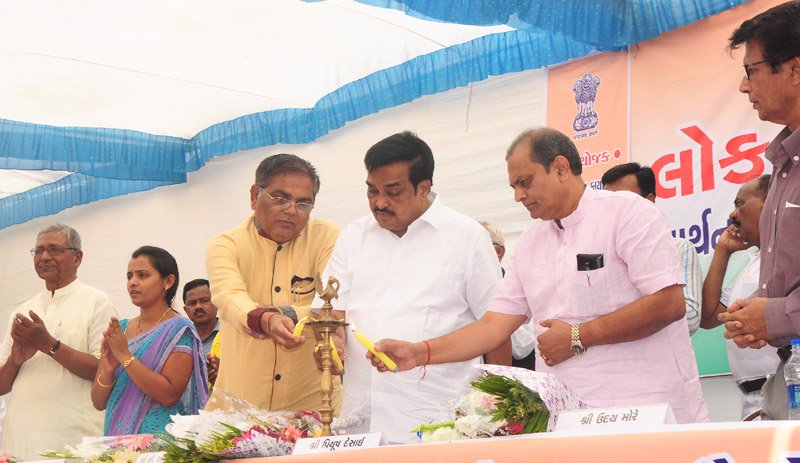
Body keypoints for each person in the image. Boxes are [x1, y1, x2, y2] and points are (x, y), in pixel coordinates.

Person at [369, 128, 709, 424]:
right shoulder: (531, 243)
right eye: (514, 186)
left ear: (560, 168)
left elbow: (668, 303)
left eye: (525, 182)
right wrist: (419, 353)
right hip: (568, 420)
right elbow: (492, 327)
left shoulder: (628, 213)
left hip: (648, 411)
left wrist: (579, 335)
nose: (518, 196)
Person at [317, 132, 507, 442]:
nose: (380, 203)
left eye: (393, 192)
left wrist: (500, 407)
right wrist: (333, 341)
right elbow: (331, 312)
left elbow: (496, 327)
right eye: (372, 191)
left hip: (438, 422)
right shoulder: (353, 236)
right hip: (360, 420)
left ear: (423, 187)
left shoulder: (467, 237)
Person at [205, 153, 341, 412]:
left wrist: (285, 314)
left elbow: (331, 304)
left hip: (312, 406)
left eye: (303, 203)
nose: (291, 210)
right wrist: (265, 319)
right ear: (254, 196)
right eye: (280, 198)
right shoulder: (226, 245)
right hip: (240, 409)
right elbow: (229, 297)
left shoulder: (326, 237)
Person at [721, 1, 800, 420]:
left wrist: (775, 315)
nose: (743, 86)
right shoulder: (784, 166)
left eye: (751, 71)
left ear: (794, 69)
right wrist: (755, 312)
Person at [0, 224, 117, 459]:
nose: (44, 257)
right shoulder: (23, 311)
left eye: (54, 249)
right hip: (21, 441)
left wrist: (49, 345)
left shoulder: (97, 302)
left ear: (77, 257)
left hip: (74, 440)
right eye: (38, 251)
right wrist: (15, 360)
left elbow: (104, 370)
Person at [91, 246, 208, 435]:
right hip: (116, 440)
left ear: (168, 282)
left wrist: (125, 356)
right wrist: (107, 370)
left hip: (158, 441)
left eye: (142, 275)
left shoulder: (179, 329)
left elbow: (168, 395)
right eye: (129, 276)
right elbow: (98, 402)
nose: (132, 282)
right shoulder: (121, 329)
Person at [701, 176, 777, 418]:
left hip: (787, 390)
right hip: (751, 400)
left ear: (768, 202)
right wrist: (723, 250)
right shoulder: (753, 264)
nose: (732, 215)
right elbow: (709, 317)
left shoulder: (789, 257)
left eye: (740, 203)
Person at [602, 162, 702, 336]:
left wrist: (609, 324)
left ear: (649, 201)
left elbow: (691, 319)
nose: (614, 211)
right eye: (608, 205)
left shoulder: (679, 248)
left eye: (624, 201)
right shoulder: (598, 254)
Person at [480, 220, 536, 370]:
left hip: (517, 373)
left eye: (477, 247)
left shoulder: (516, 285)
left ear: (499, 251)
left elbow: (523, 346)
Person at [183, 279, 220, 384]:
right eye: (192, 303)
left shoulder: (231, 335)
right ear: (185, 310)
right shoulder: (180, 339)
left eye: (204, 300)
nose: (198, 306)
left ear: (217, 303)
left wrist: (224, 375)